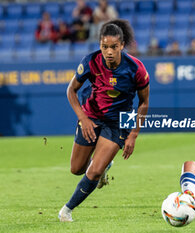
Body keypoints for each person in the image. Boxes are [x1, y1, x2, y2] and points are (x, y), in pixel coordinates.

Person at [58, 19, 150, 222]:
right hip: (91, 117)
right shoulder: (90, 61)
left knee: (95, 170)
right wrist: (83, 117)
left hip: (119, 122)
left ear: (122, 45)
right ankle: (104, 167)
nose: (109, 52)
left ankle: (67, 210)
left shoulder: (136, 69)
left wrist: (133, 134)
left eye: (114, 47)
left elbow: (143, 103)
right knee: (76, 169)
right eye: (104, 47)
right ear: (100, 45)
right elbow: (71, 90)